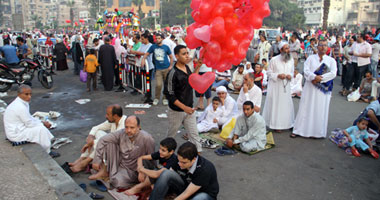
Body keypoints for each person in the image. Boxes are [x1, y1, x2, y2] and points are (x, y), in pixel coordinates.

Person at [90, 116, 155, 189]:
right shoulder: (121, 133)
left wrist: (143, 171)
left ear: (138, 127)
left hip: (135, 170)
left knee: (117, 182)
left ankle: (116, 177)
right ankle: (105, 171)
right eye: (126, 127)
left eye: (132, 127)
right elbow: (103, 140)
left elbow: (151, 159)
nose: (128, 130)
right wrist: (97, 159)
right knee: (109, 143)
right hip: (120, 164)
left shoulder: (147, 138)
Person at [291, 39, 337, 138]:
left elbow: (333, 73)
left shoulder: (331, 60)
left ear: (327, 47)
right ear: (317, 46)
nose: (323, 47)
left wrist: (320, 79)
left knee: (319, 109)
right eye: (321, 45)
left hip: (322, 89)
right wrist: (313, 77)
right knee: (305, 107)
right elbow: (306, 70)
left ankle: (316, 133)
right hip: (310, 87)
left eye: (325, 45)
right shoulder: (311, 58)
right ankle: (299, 130)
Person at [164, 45, 203, 152]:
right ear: (176, 56)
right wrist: (184, 108)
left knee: (195, 136)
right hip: (176, 111)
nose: (187, 56)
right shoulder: (173, 73)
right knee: (171, 136)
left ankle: (198, 160)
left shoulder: (187, 68)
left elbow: (192, 81)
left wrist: (198, 67)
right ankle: (164, 156)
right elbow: (169, 95)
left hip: (189, 109)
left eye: (187, 53)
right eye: (184, 54)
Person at [66, 105, 126, 173]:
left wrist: (92, 143)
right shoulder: (115, 120)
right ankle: (82, 159)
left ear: (115, 116)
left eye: (108, 114)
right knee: (97, 133)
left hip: (119, 153)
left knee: (100, 142)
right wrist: (90, 137)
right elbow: (96, 127)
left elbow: (111, 143)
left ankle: (85, 162)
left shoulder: (124, 125)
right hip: (110, 145)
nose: (106, 116)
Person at [3, 85, 59, 157]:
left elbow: (29, 118)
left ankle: (48, 147)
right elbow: (29, 123)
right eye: (26, 94)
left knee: (40, 127)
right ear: (19, 94)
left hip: (18, 129)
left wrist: (41, 122)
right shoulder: (20, 107)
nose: (29, 97)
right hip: (15, 134)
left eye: (30, 94)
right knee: (41, 130)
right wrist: (42, 124)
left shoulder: (22, 103)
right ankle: (47, 152)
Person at [149, 142, 219, 200]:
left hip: (203, 194)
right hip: (185, 186)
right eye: (179, 161)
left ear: (194, 159)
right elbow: (168, 175)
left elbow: (187, 193)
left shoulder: (205, 169)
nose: (180, 164)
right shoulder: (179, 159)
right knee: (166, 174)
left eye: (184, 162)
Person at [262, 41, 295, 132]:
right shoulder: (274, 60)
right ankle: (276, 125)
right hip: (276, 86)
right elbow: (269, 73)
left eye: (288, 48)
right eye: (286, 49)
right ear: (281, 50)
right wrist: (277, 75)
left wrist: (290, 76)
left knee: (285, 104)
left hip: (286, 86)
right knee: (276, 105)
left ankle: (287, 123)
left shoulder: (291, 60)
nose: (288, 50)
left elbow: (292, 72)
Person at [142, 33, 174, 106]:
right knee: (158, 85)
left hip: (166, 68)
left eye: (159, 38)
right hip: (158, 69)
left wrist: (171, 66)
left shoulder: (166, 47)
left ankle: (165, 98)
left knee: (166, 85)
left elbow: (171, 57)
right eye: (156, 38)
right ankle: (157, 98)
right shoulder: (153, 47)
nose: (157, 40)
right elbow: (146, 54)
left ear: (162, 39)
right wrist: (143, 59)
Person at [129, 32, 154, 103]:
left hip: (149, 66)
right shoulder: (142, 45)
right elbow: (137, 51)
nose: (141, 41)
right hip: (142, 66)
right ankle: (146, 93)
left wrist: (135, 52)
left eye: (143, 39)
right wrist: (135, 52)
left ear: (146, 39)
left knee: (148, 82)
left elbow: (144, 53)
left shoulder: (150, 46)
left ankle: (149, 96)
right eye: (141, 39)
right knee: (144, 81)